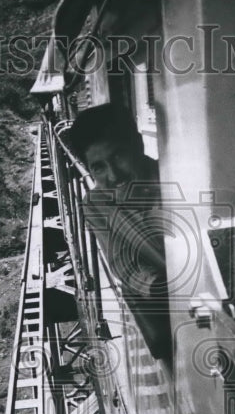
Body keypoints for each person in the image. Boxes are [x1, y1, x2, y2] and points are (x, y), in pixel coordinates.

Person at [65, 103, 170, 359]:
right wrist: (162, 285)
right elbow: (125, 266)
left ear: (138, 146)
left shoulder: (173, 179)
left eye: (118, 156)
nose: (113, 175)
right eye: (99, 167)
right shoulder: (95, 203)